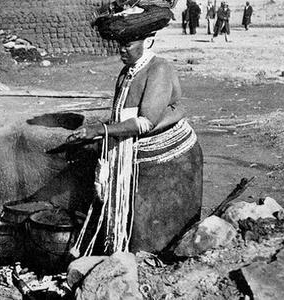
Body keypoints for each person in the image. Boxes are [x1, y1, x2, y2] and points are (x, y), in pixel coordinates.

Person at [74, 4, 203, 256]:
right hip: (132, 150)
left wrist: (100, 130)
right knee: (132, 218)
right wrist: (104, 133)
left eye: (128, 45)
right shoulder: (126, 73)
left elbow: (146, 122)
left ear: (149, 41)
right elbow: (123, 113)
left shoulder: (159, 69)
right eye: (119, 44)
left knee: (158, 227)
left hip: (169, 158)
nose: (122, 50)